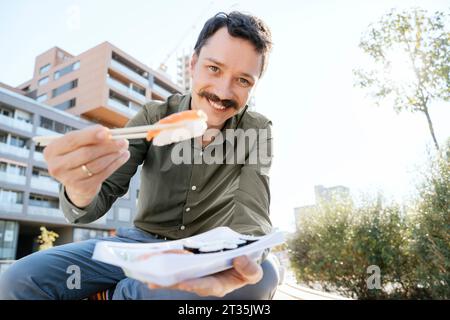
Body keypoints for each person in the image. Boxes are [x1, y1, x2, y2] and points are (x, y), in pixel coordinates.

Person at [0, 11, 278, 300]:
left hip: (201, 255)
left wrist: (238, 256)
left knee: (265, 275)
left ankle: (126, 294)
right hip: (137, 247)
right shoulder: (152, 115)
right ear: (193, 64)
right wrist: (80, 189)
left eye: (243, 81)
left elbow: (252, 218)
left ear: (254, 85)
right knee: (19, 279)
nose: (223, 91)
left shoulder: (257, 130)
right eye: (214, 69)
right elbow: (93, 204)